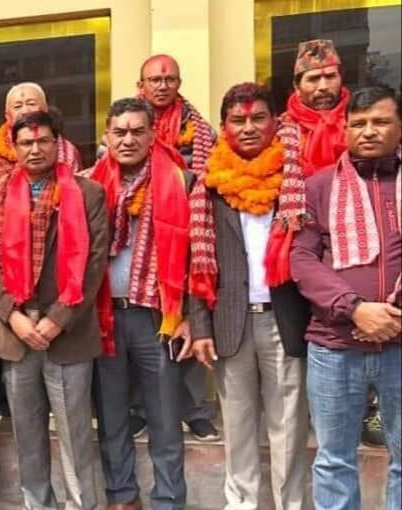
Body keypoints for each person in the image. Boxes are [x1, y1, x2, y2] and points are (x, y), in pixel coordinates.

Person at [187, 83, 310, 510]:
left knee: (288, 426)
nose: (248, 127)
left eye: (258, 118)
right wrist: (200, 326)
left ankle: (290, 504)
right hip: (231, 323)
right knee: (237, 426)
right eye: (237, 120)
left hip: (285, 319)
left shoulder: (295, 179)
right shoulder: (210, 185)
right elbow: (196, 262)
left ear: (275, 122)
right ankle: (240, 503)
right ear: (225, 126)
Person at [0, 111, 108, 509]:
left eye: (43, 141)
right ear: (14, 147)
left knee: (75, 436)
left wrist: (58, 318)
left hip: (67, 332)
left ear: (58, 143)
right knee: (27, 436)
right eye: (26, 143)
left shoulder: (87, 193)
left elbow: (94, 266)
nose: (35, 149)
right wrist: (13, 316)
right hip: (17, 334)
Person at [290, 85, 401, 510]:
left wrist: (392, 315)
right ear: (345, 129)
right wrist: (355, 308)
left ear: (399, 127)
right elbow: (302, 258)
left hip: (400, 343)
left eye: (380, 121)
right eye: (358, 123)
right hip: (334, 345)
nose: (369, 131)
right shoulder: (318, 187)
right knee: (334, 459)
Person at [89, 98, 192, 510]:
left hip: (158, 318)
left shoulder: (182, 181)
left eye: (137, 131)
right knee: (112, 416)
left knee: (165, 417)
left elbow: (199, 258)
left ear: (153, 135)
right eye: (119, 132)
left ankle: (168, 500)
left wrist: (189, 317)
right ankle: (122, 498)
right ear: (107, 136)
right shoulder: (89, 185)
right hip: (105, 316)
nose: (128, 139)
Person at [0, 82, 82, 190]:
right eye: (18, 106)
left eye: (31, 104)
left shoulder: (67, 151)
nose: (25, 111)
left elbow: (76, 192)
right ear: (8, 116)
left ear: (45, 110)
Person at [279, 39, 350, 176]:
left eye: (330, 76)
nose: (323, 86)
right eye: (313, 79)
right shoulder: (281, 130)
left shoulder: (359, 121)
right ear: (297, 87)